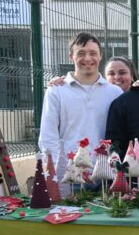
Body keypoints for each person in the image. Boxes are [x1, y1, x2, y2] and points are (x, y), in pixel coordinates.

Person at [39, 32, 123, 191]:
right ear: (71, 56)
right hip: (68, 178)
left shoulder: (115, 93)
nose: (87, 58)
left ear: (100, 56)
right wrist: (59, 171)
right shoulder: (56, 91)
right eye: (81, 53)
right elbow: (48, 137)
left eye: (93, 53)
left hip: (105, 176)